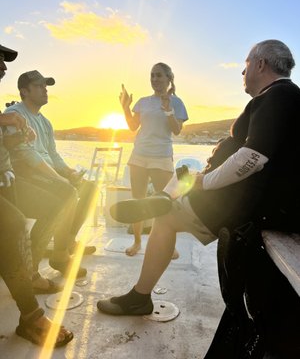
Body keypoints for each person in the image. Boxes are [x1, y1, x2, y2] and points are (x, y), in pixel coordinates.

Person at [97, 39, 300, 316]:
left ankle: (139, 297)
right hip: (244, 194)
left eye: (246, 65)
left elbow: (253, 158)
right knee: (184, 174)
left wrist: (207, 182)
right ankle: (164, 197)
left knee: (166, 218)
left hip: (242, 201)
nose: (243, 73)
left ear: (261, 64)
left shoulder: (278, 95)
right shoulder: (280, 98)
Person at [0, 43, 73, 346]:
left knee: (64, 198)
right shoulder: (13, 112)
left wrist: (15, 138)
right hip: (16, 179)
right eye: (0, 59)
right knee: (14, 225)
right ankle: (31, 316)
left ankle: (52, 258)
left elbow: (28, 150)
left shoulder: (38, 121)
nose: (4, 66)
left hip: (6, 180)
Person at [4, 70, 98, 275]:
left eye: (45, 86)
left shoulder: (44, 122)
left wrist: (68, 171)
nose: (45, 90)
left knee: (90, 188)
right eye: (39, 86)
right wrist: (58, 177)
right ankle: (52, 261)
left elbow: (52, 154)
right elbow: (26, 156)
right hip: (25, 175)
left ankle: (65, 244)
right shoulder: (15, 116)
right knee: (67, 193)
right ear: (24, 91)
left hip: (45, 172)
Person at [119, 62, 188, 256]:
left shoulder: (177, 102)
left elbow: (176, 130)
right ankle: (137, 242)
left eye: (159, 75)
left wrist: (168, 109)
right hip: (139, 155)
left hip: (161, 156)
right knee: (137, 200)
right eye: (152, 76)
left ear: (168, 79)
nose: (155, 79)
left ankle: (168, 245)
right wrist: (125, 107)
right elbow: (133, 126)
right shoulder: (143, 102)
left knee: (165, 203)